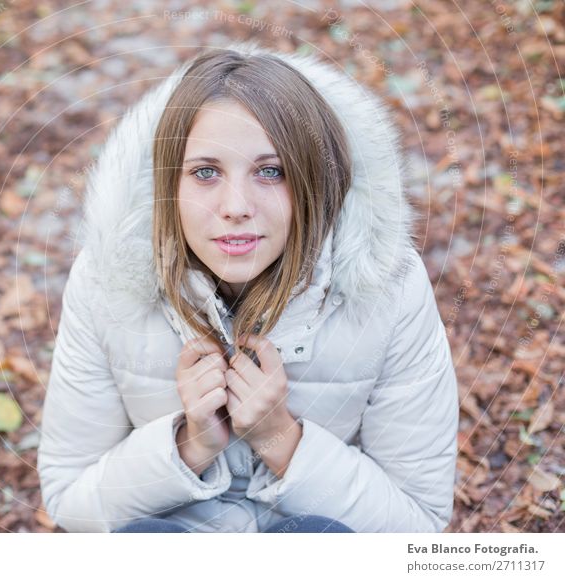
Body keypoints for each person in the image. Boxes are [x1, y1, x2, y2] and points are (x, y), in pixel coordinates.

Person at [37, 40, 459, 533]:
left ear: (316, 180)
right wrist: (190, 445)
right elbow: (71, 501)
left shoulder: (390, 287)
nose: (236, 205)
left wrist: (281, 437)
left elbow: (418, 524)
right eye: (206, 172)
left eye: (270, 171)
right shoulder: (105, 282)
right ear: (167, 185)